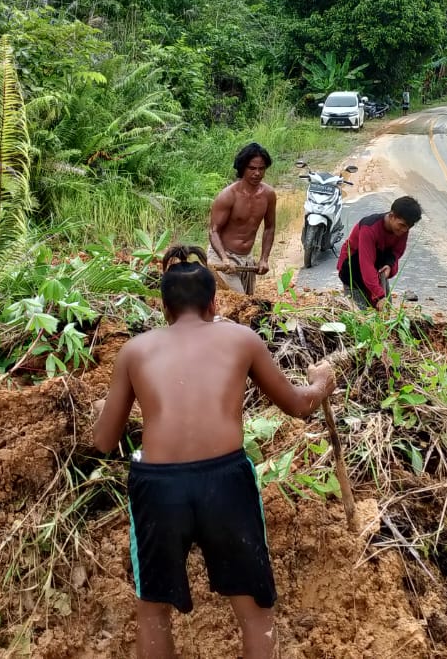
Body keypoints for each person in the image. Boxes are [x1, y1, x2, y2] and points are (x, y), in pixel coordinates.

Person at [93, 245, 336, 659]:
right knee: (255, 612)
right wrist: (320, 384)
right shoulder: (241, 338)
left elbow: (103, 441)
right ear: (214, 303)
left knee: (153, 612)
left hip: (158, 487)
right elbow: (298, 406)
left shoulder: (134, 351)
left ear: (164, 309)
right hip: (225, 482)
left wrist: (101, 412)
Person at [208, 142, 277, 295]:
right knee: (239, 302)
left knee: (248, 302)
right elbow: (213, 231)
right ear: (242, 168)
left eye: (261, 169)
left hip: (246, 260)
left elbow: (269, 227)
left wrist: (264, 259)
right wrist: (225, 259)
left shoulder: (268, 195)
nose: (257, 173)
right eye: (252, 168)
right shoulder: (228, 196)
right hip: (222, 257)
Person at [338, 196, 422, 309]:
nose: (404, 230)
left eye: (408, 227)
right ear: (391, 216)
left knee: (386, 310)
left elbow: (396, 252)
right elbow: (366, 265)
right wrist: (379, 295)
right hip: (352, 270)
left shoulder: (402, 229)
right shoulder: (369, 228)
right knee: (360, 314)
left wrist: (389, 265)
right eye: (402, 225)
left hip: (377, 270)